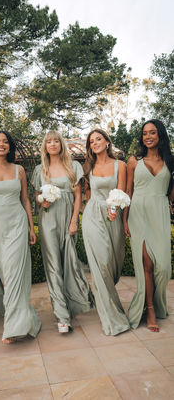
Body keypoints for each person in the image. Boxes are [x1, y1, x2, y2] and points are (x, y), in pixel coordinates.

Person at [0, 131, 41, 344]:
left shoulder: (19, 170)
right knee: (5, 277)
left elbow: (26, 200)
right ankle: (24, 317)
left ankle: (14, 327)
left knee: (14, 273)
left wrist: (32, 227)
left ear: (10, 146)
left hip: (17, 225)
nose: (1, 145)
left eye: (5, 142)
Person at [31, 130, 94, 333]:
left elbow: (78, 196)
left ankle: (73, 303)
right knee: (53, 266)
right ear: (45, 146)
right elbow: (37, 197)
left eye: (56, 141)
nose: (52, 144)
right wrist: (43, 201)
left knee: (69, 264)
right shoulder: (40, 169)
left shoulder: (73, 166)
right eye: (48, 141)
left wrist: (75, 220)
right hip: (48, 219)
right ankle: (62, 317)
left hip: (68, 218)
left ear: (61, 144)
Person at [123, 119, 174, 332]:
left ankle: (156, 301)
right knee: (147, 265)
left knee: (163, 266)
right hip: (138, 214)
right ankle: (150, 309)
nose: (148, 137)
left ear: (160, 135)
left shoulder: (170, 162)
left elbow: (171, 194)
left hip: (160, 213)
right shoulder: (134, 161)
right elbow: (128, 192)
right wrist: (124, 219)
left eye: (152, 133)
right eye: (145, 133)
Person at [82, 128, 130, 336]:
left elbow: (121, 191)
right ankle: (111, 316)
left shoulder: (120, 165)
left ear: (107, 142)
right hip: (93, 215)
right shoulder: (89, 167)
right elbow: (89, 193)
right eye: (92, 141)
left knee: (113, 262)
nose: (95, 143)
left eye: (98, 139)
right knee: (101, 263)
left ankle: (111, 303)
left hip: (113, 215)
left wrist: (114, 209)